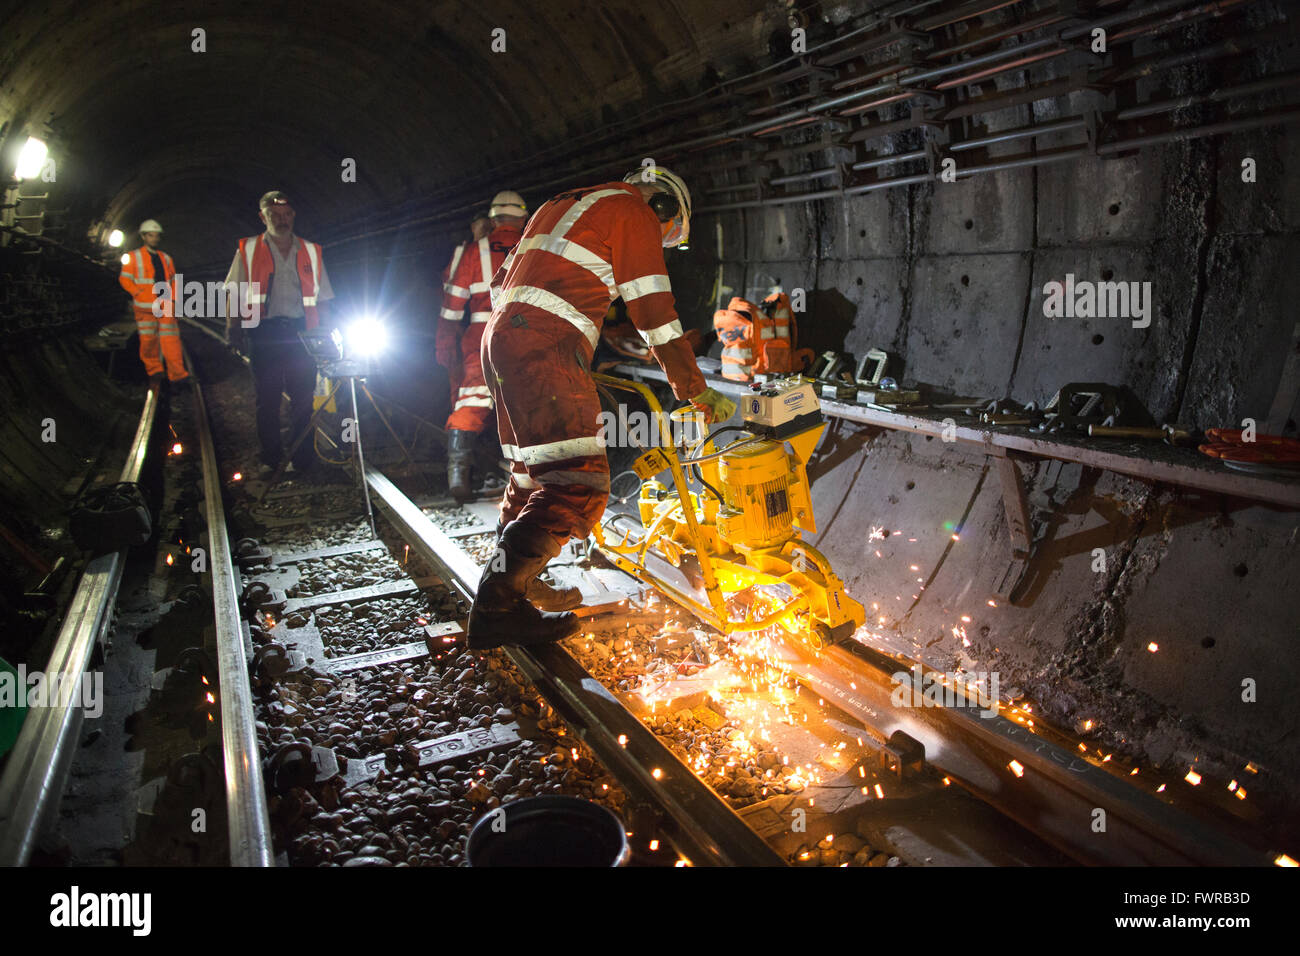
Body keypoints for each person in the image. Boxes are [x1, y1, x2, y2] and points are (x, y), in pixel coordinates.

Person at [468, 166, 736, 649]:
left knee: (532, 473)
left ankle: (514, 582)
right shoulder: (632, 209)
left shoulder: (558, 204)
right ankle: (497, 607)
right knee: (578, 482)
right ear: (663, 207)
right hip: (543, 346)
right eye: (669, 236)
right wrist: (693, 387)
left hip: (502, 339)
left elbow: (507, 281)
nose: (662, 245)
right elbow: (653, 310)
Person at [224, 191, 335, 475]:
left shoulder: (310, 250)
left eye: (287, 215)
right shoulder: (248, 250)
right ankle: (271, 458)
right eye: (275, 216)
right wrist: (232, 328)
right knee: (268, 399)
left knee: (303, 399)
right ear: (263, 218)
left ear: (294, 215)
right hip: (264, 333)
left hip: (302, 334)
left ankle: (303, 459)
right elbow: (235, 293)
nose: (282, 220)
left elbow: (323, 298)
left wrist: (327, 335)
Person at [436, 192, 528, 500]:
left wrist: (445, 344)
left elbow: (451, 307)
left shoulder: (474, 252)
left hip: (481, 333)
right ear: (524, 219)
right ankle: (527, 477)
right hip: (524, 334)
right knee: (524, 404)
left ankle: (457, 478)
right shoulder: (534, 249)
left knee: (472, 402)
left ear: (492, 220)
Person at [117, 219, 189, 384]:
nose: (154, 239)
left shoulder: (166, 258)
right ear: (143, 236)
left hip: (165, 305)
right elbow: (125, 279)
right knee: (148, 341)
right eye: (151, 235)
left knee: (171, 340)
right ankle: (155, 370)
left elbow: (173, 281)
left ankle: (178, 375)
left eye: (157, 236)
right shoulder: (132, 257)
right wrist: (138, 292)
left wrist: (174, 300)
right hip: (144, 307)